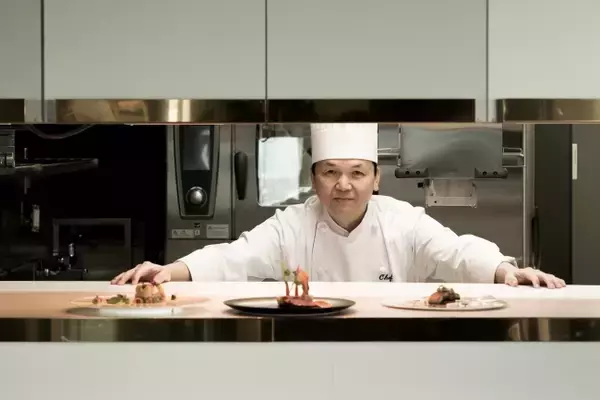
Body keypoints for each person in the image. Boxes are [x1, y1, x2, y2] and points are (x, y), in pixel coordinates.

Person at [112, 123, 565, 289]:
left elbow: (457, 251)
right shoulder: (292, 224)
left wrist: (506, 271)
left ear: (376, 179)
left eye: (356, 173)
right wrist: (170, 271)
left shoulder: (404, 222)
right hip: (307, 353)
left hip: (394, 353)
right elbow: (234, 257)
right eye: (330, 172)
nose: (343, 186)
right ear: (314, 179)